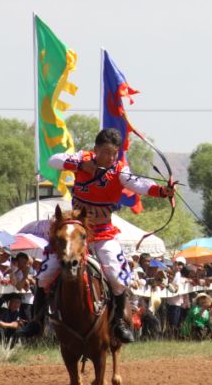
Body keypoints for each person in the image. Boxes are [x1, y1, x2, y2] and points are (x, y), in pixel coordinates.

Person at [34, 128, 176, 343]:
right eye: (106, 152)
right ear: (96, 149)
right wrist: (82, 165)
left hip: (102, 233)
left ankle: (119, 322)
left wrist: (161, 191)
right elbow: (53, 160)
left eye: (114, 153)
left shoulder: (120, 170)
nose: (111, 158)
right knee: (45, 276)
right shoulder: (82, 158)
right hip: (76, 233)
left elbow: (139, 184)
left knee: (118, 279)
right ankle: (35, 321)